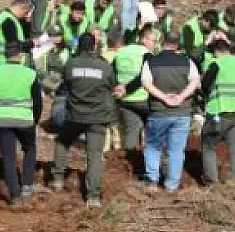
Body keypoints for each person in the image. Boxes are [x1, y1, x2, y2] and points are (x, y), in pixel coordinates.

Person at [52, 34, 116, 206]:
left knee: (62, 142)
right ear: (94, 47)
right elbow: (112, 85)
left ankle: (57, 179)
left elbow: (65, 84)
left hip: (75, 115)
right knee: (94, 155)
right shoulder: (104, 66)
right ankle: (93, 196)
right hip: (98, 116)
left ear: (78, 46)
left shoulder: (71, 64)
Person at [140, 29, 199, 192]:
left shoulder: (151, 62)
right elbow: (195, 82)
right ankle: (172, 184)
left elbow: (146, 83)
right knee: (176, 150)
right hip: (181, 113)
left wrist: (163, 98)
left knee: (153, 146)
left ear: (162, 41)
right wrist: (180, 97)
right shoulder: (188, 62)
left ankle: (152, 180)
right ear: (177, 44)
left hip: (159, 112)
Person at [0, 46, 44, 204]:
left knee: (8, 157)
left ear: (6, 56)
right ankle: (27, 185)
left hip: (1, 119)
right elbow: (37, 102)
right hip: (25, 119)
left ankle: (15, 195)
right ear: (20, 56)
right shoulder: (30, 74)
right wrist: (35, 119)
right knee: (30, 148)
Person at [200, 37, 235, 184]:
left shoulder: (217, 63)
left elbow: (205, 85)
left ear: (217, 52)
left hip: (220, 111)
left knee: (208, 145)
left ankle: (212, 183)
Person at [112, 26, 157, 174]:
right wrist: (127, 88)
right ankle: (149, 167)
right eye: (153, 41)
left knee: (131, 131)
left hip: (125, 101)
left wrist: (117, 88)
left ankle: (126, 168)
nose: (154, 44)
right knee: (151, 133)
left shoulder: (119, 53)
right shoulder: (146, 54)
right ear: (142, 39)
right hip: (143, 99)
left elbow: (112, 73)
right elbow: (143, 77)